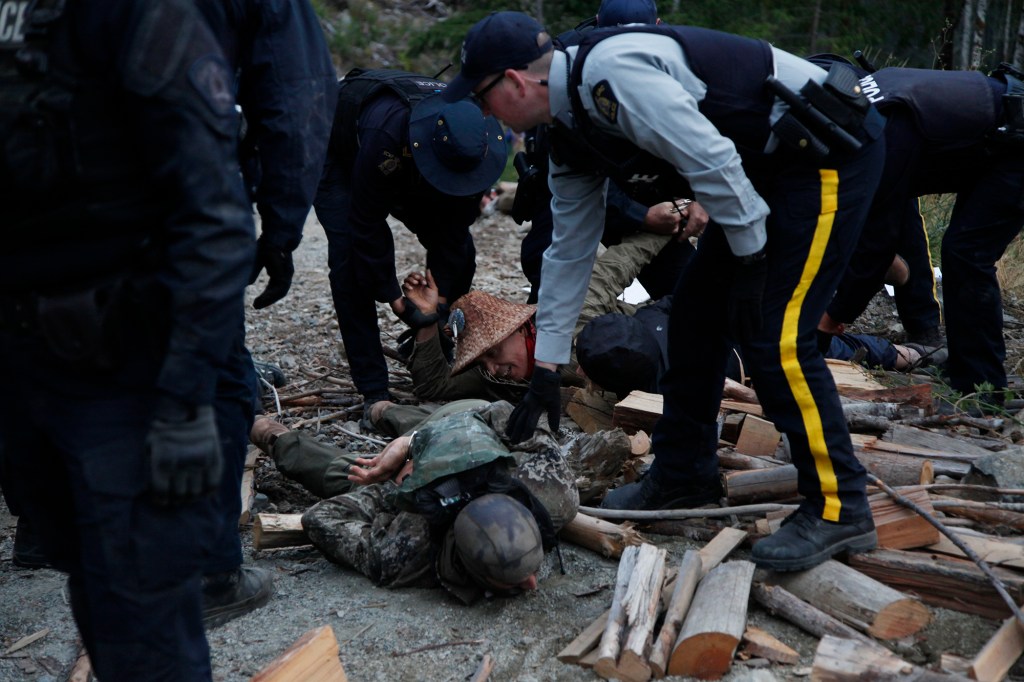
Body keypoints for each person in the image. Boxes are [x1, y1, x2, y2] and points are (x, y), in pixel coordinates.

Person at [445, 12, 887, 571]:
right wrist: (547, 368)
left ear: (512, 81)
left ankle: (839, 507)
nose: (484, 112)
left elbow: (713, 161)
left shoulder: (612, 76)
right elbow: (569, 252)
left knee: (775, 337)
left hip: (825, 155)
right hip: (761, 174)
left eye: (482, 97)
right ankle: (685, 474)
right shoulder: (566, 133)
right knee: (695, 318)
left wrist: (752, 261)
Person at [0, 0, 254, 678]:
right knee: (88, 582)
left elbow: (217, 221)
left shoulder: (136, 13)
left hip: (127, 378)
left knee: (145, 622)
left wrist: (184, 401)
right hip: (25, 375)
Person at [194, 0, 337, 628]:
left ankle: (43, 528)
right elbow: (295, 101)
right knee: (214, 374)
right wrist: (280, 232)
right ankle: (209, 572)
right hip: (181, 195)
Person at [820, 62, 1024, 406]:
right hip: (995, 139)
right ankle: (966, 369)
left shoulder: (880, 136)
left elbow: (876, 248)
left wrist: (832, 319)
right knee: (962, 251)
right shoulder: (863, 112)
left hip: (1015, 142)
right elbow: (889, 225)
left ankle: (982, 391)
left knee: (967, 254)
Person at [313, 70, 508, 421]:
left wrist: (436, 306)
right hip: (339, 150)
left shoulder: (475, 147)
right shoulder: (385, 134)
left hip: (423, 157)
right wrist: (398, 301)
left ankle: (435, 343)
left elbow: (452, 230)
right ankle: (373, 386)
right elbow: (366, 224)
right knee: (349, 262)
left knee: (461, 252)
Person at [254, 402, 578, 602]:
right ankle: (382, 409)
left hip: (426, 468)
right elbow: (516, 414)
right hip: (463, 424)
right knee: (392, 436)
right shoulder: (555, 492)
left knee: (353, 472)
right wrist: (411, 444)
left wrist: (398, 487)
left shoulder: (406, 548)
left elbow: (322, 517)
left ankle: (274, 435)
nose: (533, 584)